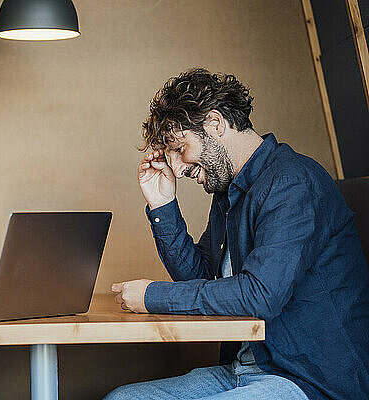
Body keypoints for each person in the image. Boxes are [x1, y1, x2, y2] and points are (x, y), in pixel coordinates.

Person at [106, 69, 369, 399]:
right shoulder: (228, 192)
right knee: (122, 398)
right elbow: (200, 277)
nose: (177, 168)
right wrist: (163, 205)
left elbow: (260, 295)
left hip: (308, 378)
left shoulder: (292, 182)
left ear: (215, 124)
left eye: (180, 148)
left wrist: (151, 296)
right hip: (246, 369)